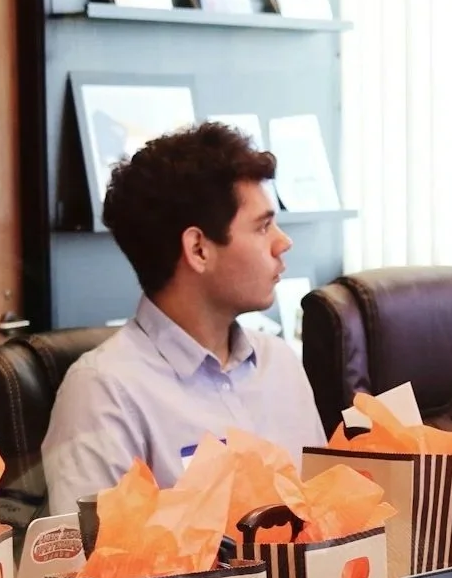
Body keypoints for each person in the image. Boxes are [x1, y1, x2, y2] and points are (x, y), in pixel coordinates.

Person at [42, 122, 324, 511]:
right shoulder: (104, 392)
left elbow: (332, 526)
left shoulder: (281, 365)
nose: (283, 242)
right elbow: (90, 566)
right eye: (262, 227)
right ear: (198, 249)